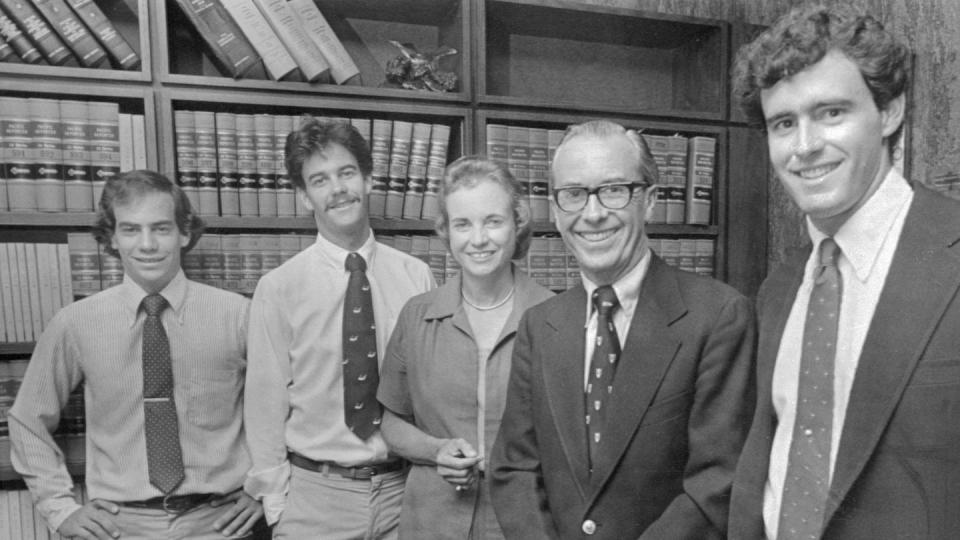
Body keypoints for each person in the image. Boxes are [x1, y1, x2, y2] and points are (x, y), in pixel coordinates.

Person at [728, 4, 960, 539]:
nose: (805, 147)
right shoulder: (779, 289)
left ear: (891, 112)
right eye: (784, 123)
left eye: (831, 112)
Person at [489, 120, 756, 539]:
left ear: (649, 201)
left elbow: (717, 484)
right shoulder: (540, 325)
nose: (593, 214)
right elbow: (515, 469)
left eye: (613, 190)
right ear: (557, 212)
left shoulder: (719, 316)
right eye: (574, 194)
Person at [9, 170, 263, 539]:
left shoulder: (238, 314)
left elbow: (282, 405)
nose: (147, 244)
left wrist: (264, 488)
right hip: (121, 527)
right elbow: (27, 419)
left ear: (184, 232)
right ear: (111, 238)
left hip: (223, 523)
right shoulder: (75, 323)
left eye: (161, 228)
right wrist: (59, 509)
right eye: (130, 230)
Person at [243, 117, 434, 539]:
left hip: (402, 492)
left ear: (368, 180)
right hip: (315, 497)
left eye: (347, 173)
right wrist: (278, 508)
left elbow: (429, 393)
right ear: (305, 196)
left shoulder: (416, 277)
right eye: (320, 180)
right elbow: (264, 405)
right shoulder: (278, 288)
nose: (337, 189)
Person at [377, 156, 553, 539]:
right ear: (446, 231)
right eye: (462, 224)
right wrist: (434, 449)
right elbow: (390, 421)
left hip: (525, 522)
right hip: (432, 522)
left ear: (517, 224)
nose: (478, 239)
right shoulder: (417, 315)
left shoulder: (555, 317)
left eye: (493, 221)